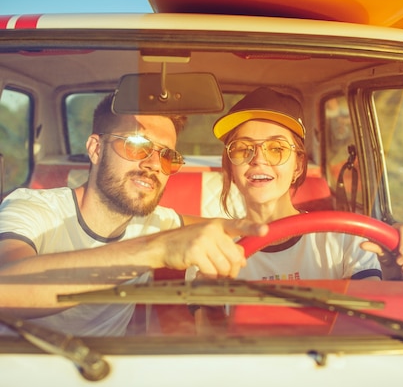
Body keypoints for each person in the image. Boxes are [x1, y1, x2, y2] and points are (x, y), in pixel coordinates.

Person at [0, 93, 267, 336]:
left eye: (167, 156)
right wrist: (154, 250)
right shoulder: (33, 207)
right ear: (95, 149)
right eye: (137, 145)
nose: (153, 164)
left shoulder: (156, 222)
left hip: (107, 374)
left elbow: (232, 230)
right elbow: (5, 287)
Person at [212, 86, 403, 281]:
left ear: (298, 166)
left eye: (277, 148)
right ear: (230, 167)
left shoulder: (346, 241)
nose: (258, 159)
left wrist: (395, 270)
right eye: (242, 148)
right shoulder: (213, 250)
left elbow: (370, 313)